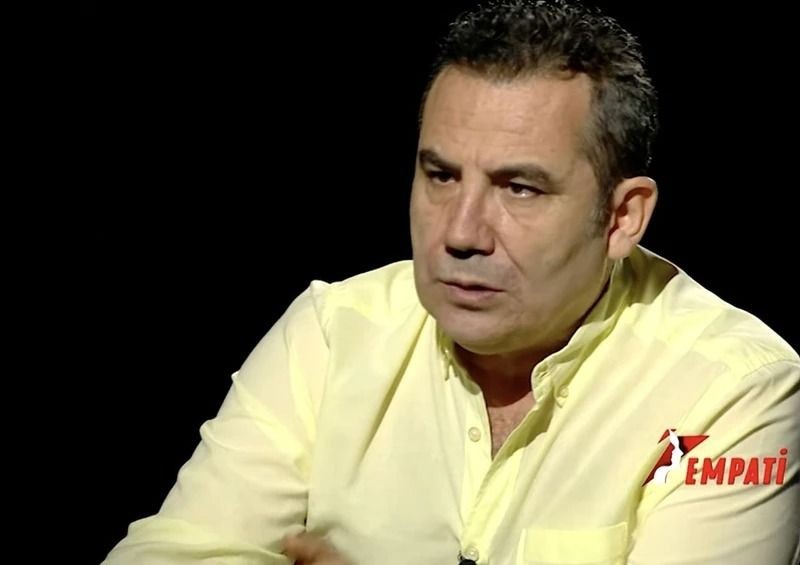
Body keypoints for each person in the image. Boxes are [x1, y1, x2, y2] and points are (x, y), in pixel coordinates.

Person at [103, 1, 799, 563]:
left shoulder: (733, 388)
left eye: (519, 188)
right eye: (440, 175)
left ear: (622, 218)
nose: (461, 232)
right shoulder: (332, 333)